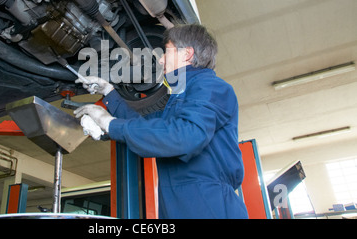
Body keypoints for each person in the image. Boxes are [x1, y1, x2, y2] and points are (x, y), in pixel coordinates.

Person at [74, 23, 248, 219]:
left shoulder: (212, 86)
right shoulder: (180, 99)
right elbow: (144, 125)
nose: (161, 59)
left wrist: (110, 124)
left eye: (166, 52)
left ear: (186, 54)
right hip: (179, 204)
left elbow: (185, 136)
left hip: (209, 204)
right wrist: (109, 92)